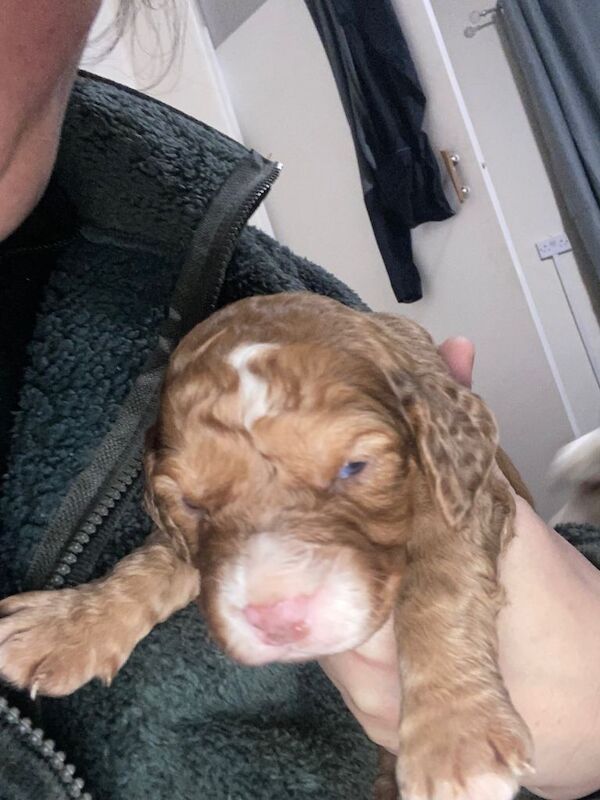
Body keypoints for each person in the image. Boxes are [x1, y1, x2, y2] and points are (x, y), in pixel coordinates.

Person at [2, 3, 600, 800]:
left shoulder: (301, 309)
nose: (272, 590)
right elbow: (203, 543)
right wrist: (107, 612)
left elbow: (471, 526)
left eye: (350, 466)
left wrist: (475, 703)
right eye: (197, 504)